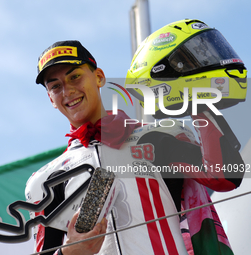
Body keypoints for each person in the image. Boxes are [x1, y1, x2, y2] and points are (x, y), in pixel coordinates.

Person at [25, 20, 246, 255]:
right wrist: (70, 252)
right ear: (50, 98)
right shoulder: (47, 179)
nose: (67, 91)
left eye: (75, 77)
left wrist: (199, 99)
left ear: (99, 77)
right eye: (56, 86)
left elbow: (225, 177)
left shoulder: (158, 137)